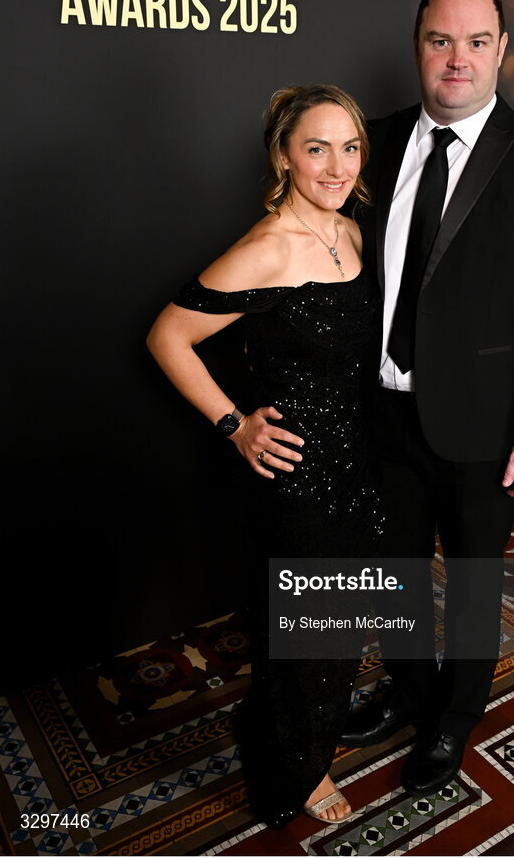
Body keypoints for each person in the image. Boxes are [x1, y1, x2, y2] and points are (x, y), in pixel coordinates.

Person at [341, 0, 514, 796]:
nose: (458, 59)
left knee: (474, 584)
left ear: (502, 51)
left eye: (476, 42)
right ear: (418, 47)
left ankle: (455, 720)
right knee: (398, 575)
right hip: (381, 415)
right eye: (441, 40)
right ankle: (411, 694)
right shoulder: (368, 145)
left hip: (488, 428)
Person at [146, 84, 384, 829]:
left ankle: (286, 734)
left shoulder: (350, 232)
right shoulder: (266, 248)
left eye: (349, 147)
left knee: (341, 623)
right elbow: (166, 337)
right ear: (284, 156)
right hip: (299, 476)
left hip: (358, 462)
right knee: (311, 636)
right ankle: (294, 773)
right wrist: (234, 425)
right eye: (317, 148)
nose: (337, 165)